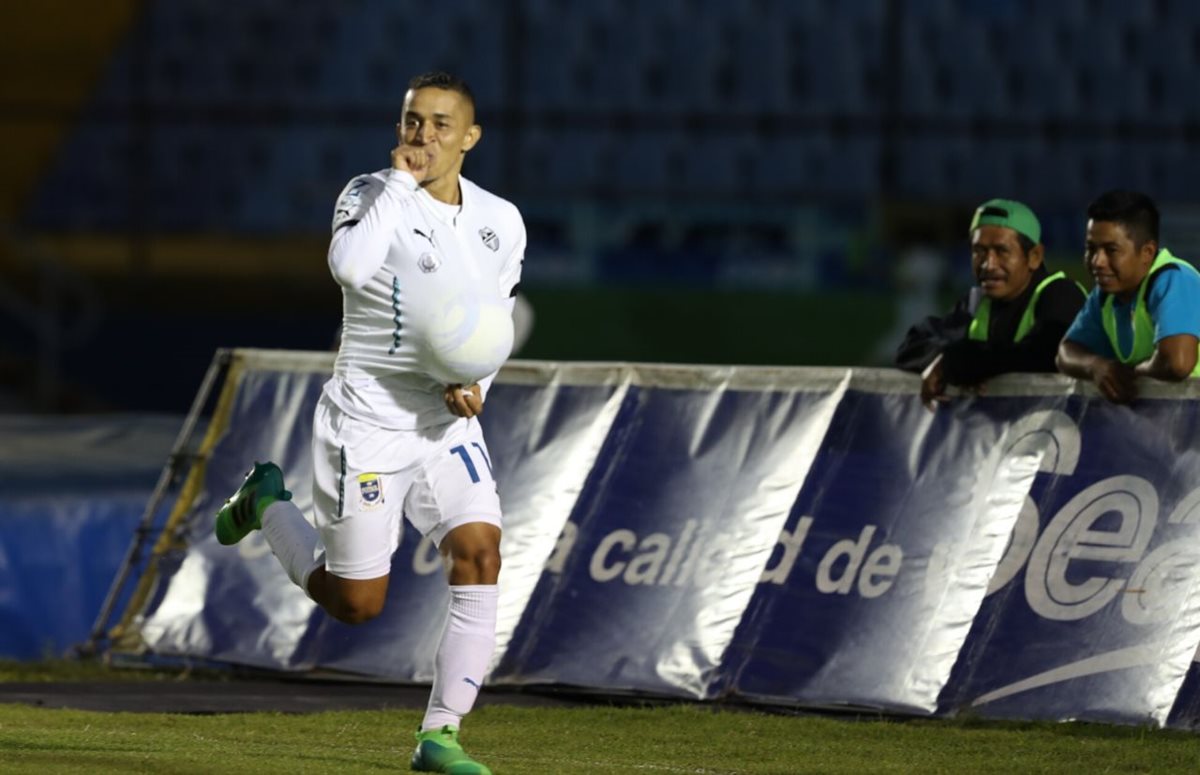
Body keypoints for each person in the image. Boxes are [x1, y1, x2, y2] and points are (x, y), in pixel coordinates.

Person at [214, 72, 523, 775]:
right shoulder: (369, 194)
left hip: (443, 425)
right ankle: (267, 503)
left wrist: (476, 385)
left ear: (470, 137)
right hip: (367, 422)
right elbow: (348, 269)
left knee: (481, 553)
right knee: (356, 604)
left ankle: (439, 736)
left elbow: (494, 320)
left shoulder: (501, 220)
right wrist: (399, 185)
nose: (424, 135)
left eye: (441, 124)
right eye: (414, 121)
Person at [894, 198, 1086, 409]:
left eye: (1001, 251)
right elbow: (911, 347)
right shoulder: (975, 302)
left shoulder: (1061, 293)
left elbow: (1046, 353)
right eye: (979, 251)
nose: (988, 264)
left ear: (1034, 256)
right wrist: (949, 362)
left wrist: (965, 363)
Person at [1056, 189, 1200, 403]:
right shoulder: (1104, 296)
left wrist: (1130, 373)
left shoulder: (1174, 278)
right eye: (1091, 248)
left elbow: (1177, 364)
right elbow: (1066, 353)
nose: (1097, 261)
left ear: (1147, 252)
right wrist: (1096, 366)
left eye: (1111, 250)